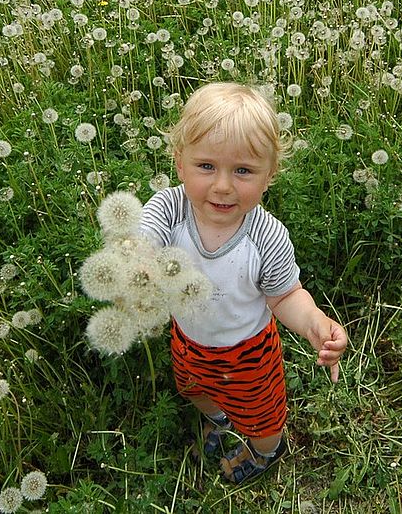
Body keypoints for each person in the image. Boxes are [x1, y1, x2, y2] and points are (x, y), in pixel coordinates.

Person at [139, 82, 348, 483]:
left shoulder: (266, 237)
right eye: (206, 166)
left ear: (269, 176)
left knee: (261, 416)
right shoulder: (169, 209)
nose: (222, 185)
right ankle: (218, 418)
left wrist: (314, 323)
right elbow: (143, 240)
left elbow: (285, 296)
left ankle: (265, 450)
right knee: (193, 389)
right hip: (187, 340)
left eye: (243, 171)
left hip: (247, 354)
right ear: (179, 163)